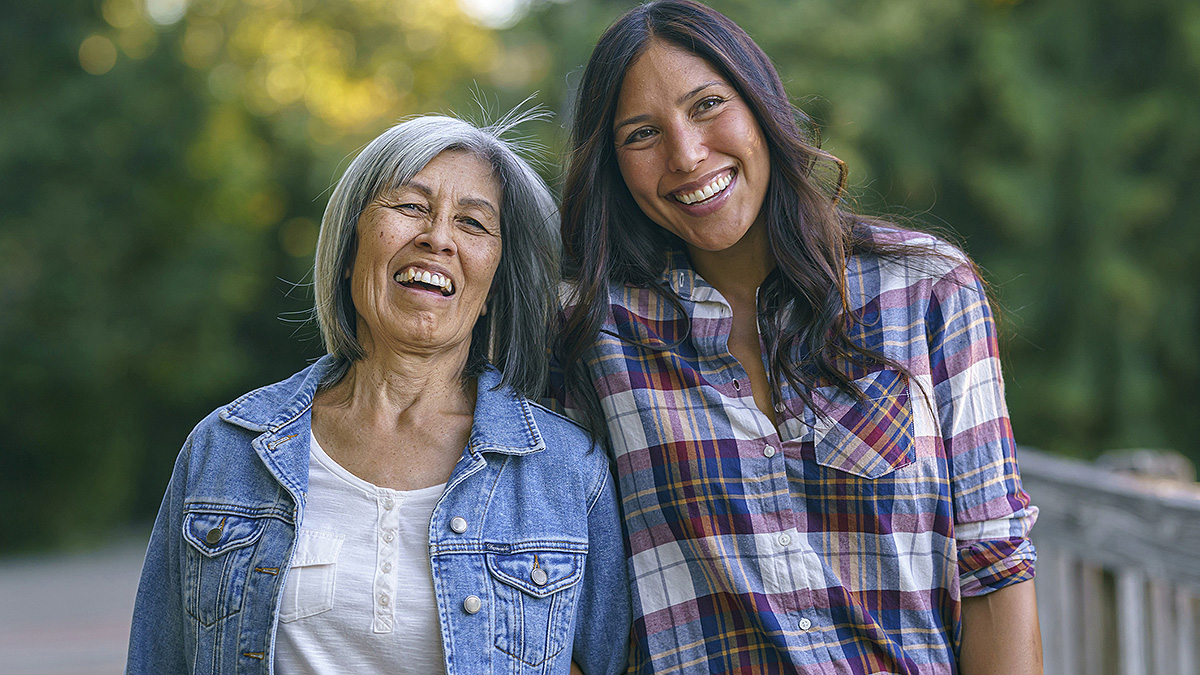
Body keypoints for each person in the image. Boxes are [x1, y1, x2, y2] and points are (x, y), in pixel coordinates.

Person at [553, 1, 1041, 673]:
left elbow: (994, 564)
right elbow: (550, 572)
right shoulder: (590, 334)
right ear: (612, 162)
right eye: (641, 134)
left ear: (760, 104)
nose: (687, 155)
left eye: (707, 105)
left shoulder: (927, 289)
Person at [127, 113, 630, 675]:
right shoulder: (225, 451)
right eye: (411, 207)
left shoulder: (565, 471)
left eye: (472, 223)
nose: (438, 237)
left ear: (492, 286)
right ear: (348, 251)